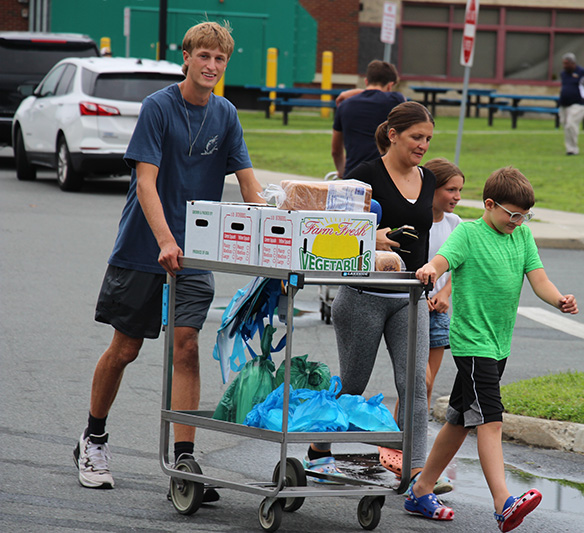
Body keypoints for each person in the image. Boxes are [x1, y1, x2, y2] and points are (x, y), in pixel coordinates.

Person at [73, 21, 265, 492]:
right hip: (145, 247)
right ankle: (93, 438)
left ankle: (185, 459)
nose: (211, 66)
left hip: (195, 252)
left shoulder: (226, 114)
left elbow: (248, 185)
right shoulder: (158, 107)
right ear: (187, 57)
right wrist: (164, 239)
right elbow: (145, 182)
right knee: (125, 349)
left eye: (219, 59)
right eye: (203, 56)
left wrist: (280, 227)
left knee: (187, 347)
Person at [408, 166, 578, 531]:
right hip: (473, 343)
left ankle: (420, 489)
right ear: (489, 204)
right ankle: (503, 502)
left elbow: (540, 280)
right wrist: (430, 270)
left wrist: (558, 300)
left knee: (458, 419)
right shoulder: (469, 233)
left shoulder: (522, 236)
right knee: (491, 419)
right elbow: (443, 260)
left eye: (524, 216)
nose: (517, 221)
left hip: (500, 343)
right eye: (512, 214)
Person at [305, 101, 437, 487]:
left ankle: (415, 472)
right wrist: (372, 236)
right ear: (392, 135)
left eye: (428, 138)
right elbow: (325, 231)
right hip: (363, 293)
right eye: (416, 137)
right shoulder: (364, 176)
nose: (422, 145)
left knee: (414, 383)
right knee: (353, 384)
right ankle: (318, 449)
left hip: (410, 295)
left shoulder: (427, 179)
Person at [419, 158, 464, 409]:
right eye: (451, 190)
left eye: (459, 190)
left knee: (427, 386)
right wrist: (417, 298)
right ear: (431, 189)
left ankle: (410, 443)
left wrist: (445, 293)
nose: (457, 196)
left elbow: (459, 267)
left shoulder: (455, 224)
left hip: (439, 313)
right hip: (412, 309)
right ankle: (396, 441)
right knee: (418, 382)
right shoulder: (415, 221)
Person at [331, 60, 406, 178]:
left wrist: (343, 172)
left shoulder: (345, 106)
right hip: (385, 176)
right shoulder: (395, 100)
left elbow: (336, 151)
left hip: (353, 175)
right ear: (390, 85)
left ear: (366, 81)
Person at [558, 52, 584, 156]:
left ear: (572, 63)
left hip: (578, 104)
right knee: (566, 126)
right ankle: (569, 148)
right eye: (563, 63)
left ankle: (573, 149)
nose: (564, 66)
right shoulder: (563, 73)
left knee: (571, 124)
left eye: (566, 63)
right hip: (564, 105)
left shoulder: (582, 72)